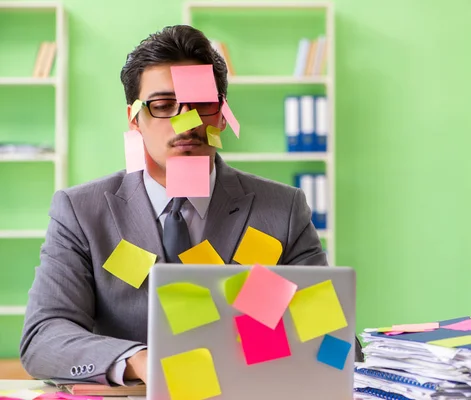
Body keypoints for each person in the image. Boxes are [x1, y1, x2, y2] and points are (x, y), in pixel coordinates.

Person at [18, 25, 355, 387]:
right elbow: (43, 337)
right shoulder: (81, 212)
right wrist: (140, 361)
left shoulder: (283, 209)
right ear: (134, 119)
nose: (187, 122)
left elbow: (333, 341)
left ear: (222, 114)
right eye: (164, 106)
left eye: (203, 104)